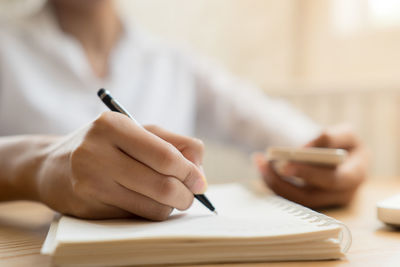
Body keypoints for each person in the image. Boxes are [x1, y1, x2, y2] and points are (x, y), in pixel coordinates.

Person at [0, 0, 368, 220]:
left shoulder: (173, 62)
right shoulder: (6, 48)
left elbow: (300, 140)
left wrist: (339, 161)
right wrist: (36, 166)